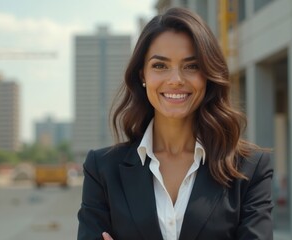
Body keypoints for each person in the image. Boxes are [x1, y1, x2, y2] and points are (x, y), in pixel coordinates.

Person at [77, 7, 273, 240]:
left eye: (191, 66)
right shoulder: (102, 169)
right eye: (160, 66)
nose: (176, 80)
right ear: (142, 75)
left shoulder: (250, 169)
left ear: (207, 75)